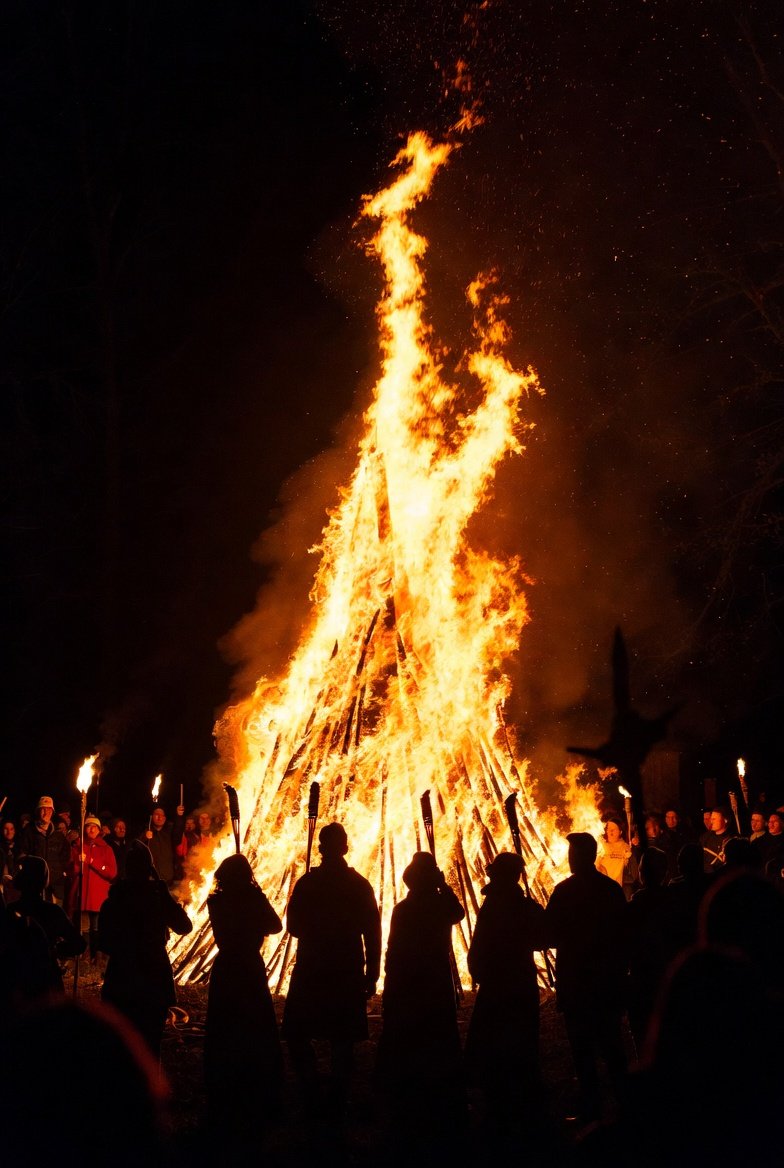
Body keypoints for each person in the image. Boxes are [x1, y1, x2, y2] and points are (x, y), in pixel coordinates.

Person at [282, 822, 381, 1130]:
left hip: (313, 967)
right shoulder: (359, 884)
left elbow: (294, 927)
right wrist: (372, 972)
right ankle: (336, 1095)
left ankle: (312, 1089)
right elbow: (373, 932)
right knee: (343, 1038)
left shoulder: (307, 884)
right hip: (346, 968)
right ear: (346, 848)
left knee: (298, 1032)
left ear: (323, 849)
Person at [376, 851, 466, 1154]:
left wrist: (390, 980)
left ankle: (412, 1094)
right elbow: (458, 913)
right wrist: (445, 886)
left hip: (410, 981)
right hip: (434, 979)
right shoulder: (441, 905)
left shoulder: (404, 908)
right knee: (437, 1035)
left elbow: (393, 949)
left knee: (412, 1037)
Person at [545, 832, 628, 1123]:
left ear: (583, 857)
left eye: (573, 854)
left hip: (579, 982)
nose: (569, 859)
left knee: (584, 1049)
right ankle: (625, 1102)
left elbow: (549, 934)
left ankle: (594, 1107)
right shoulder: (610, 890)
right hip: (606, 981)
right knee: (612, 1045)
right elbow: (624, 933)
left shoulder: (565, 891)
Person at [465, 852, 548, 1136]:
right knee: (517, 1041)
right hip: (516, 982)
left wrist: (477, 970)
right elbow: (543, 937)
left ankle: (504, 1102)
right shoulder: (516, 905)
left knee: (498, 1040)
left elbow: (479, 945)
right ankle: (515, 1103)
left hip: (500, 983)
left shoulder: (497, 903)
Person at [204, 854, 283, 1143]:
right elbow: (275, 926)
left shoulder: (216, 900)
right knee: (255, 1026)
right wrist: (257, 896)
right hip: (248, 966)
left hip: (226, 967)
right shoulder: (251, 897)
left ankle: (224, 1088)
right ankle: (256, 1085)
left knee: (224, 1028)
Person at [98, 840, 192, 1057]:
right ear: (149, 869)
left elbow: (103, 942)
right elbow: (184, 926)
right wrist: (165, 896)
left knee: (120, 1045)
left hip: (121, 976)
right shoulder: (157, 898)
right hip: (153, 975)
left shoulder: (113, 901)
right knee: (150, 1044)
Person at [7, 855, 85, 997]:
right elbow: (79, 944)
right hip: (45, 980)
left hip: (18, 980)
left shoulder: (10, 910)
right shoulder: (52, 911)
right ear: (44, 880)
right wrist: (56, 950)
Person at [70, 814, 117, 962]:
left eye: (95, 827)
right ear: (84, 829)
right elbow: (72, 871)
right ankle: (84, 955)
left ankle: (97, 955)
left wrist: (92, 861)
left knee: (97, 927)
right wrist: (78, 863)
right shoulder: (77, 846)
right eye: (89, 826)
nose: (92, 829)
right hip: (83, 894)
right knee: (83, 927)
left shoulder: (106, 849)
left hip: (98, 897)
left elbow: (111, 873)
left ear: (99, 830)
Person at [19, 795, 71, 904]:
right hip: (35, 886)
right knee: (36, 917)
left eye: (48, 809)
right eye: (42, 809)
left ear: (52, 812)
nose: (45, 812)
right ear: (37, 811)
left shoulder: (58, 835)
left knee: (54, 917)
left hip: (55, 886)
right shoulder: (29, 832)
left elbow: (66, 856)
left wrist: (59, 871)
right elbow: (21, 855)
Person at [141, 803, 185, 886]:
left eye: (162, 815)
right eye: (157, 814)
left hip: (167, 878)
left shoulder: (170, 831)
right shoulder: (145, 831)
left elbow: (178, 835)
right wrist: (145, 837)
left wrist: (179, 816)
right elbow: (136, 848)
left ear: (165, 818)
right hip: (150, 878)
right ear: (152, 816)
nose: (160, 817)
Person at [596, 819, 638, 899]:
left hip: (620, 889)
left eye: (614, 829)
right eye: (608, 828)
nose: (610, 831)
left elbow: (632, 871)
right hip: (603, 888)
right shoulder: (601, 846)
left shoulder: (625, 847)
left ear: (620, 832)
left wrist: (630, 857)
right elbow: (596, 866)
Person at [702, 806, 735, 873]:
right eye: (711, 819)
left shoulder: (732, 840)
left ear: (725, 820)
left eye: (714, 819)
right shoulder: (705, 838)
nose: (711, 822)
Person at [1, 819, 21, 904]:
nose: (9, 832)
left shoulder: (20, 846)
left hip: (18, 886)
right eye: (6, 829)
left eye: (12, 829)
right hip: (3, 887)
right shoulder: (1, 847)